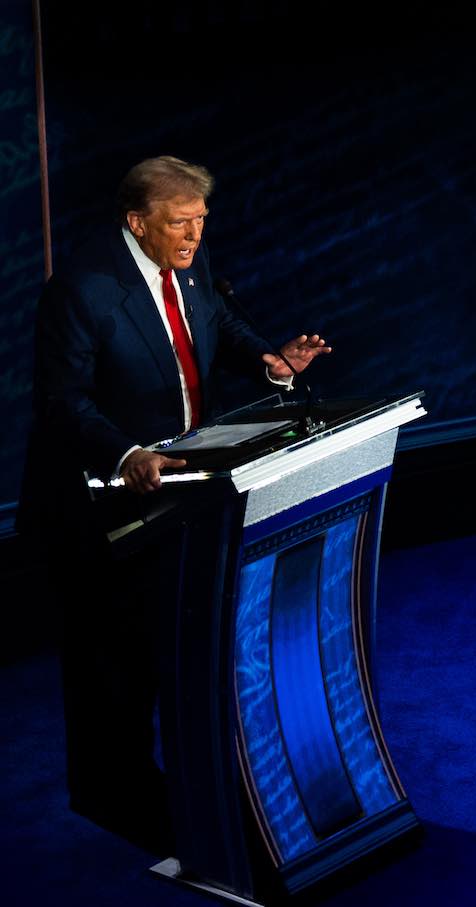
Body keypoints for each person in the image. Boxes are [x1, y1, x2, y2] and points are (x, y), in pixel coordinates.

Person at [20, 156, 330, 850]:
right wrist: (127, 453)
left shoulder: (188, 259)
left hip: (183, 491)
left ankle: (176, 785)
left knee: (168, 642)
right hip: (99, 505)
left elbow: (212, 318)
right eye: (179, 223)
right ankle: (110, 794)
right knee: (113, 660)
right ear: (138, 223)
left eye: (200, 222)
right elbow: (60, 402)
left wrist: (268, 362)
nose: (193, 235)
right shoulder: (82, 289)